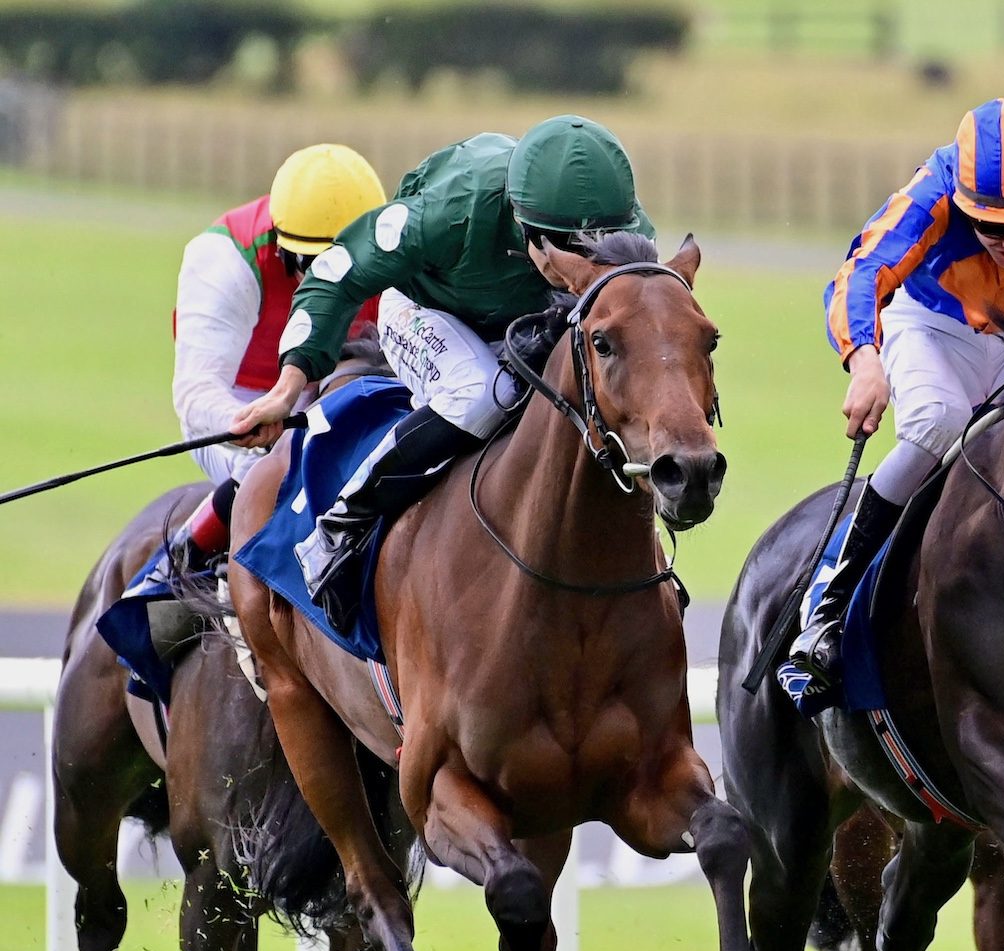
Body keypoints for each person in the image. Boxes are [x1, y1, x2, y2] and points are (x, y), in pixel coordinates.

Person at [228, 115, 653, 630]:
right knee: (486, 393)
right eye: (574, 251)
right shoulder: (455, 206)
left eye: (599, 246)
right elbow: (336, 273)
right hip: (425, 311)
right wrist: (285, 389)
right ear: (527, 229)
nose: (585, 267)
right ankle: (343, 524)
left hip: (524, 321)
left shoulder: (627, 231)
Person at [788, 96, 1004, 686]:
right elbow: (861, 271)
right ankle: (831, 603)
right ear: (963, 199)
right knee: (937, 422)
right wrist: (864, 360)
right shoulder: (933, 190)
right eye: (992, 225)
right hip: (934, 325)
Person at [168, 143, 386, 570]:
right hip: (243, 408)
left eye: (353, 266)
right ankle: (175, 565)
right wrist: (254, 424)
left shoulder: (397, 249)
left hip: (331, 399)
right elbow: (195, 394)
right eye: (317, 266)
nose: (336, 286)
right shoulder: (227, 257)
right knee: (273, 477)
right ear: (283, 249)